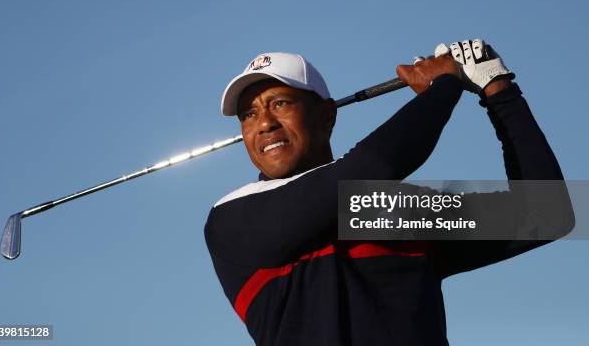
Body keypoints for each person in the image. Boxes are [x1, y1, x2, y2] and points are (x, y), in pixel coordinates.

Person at [204, 42, 573, 345]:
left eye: (280, 103)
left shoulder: (394, 210)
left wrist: (497, 87)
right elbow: (374, 166)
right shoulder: (233, 218)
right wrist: (444, 86)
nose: (264, 123)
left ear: (327, 116)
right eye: (249, 114)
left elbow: (547, 215)